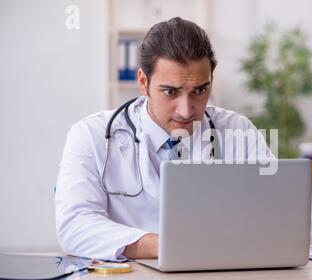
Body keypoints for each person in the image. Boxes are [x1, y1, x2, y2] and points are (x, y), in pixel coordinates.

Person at [55, 17, 274, 261]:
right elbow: (74, 226)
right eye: (170, 92)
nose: (186, 110)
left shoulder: (238, 130)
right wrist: (166, 247)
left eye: (200, 91)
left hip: (221, 278)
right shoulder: (91, 135)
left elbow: (275, 215)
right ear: (143, 82)